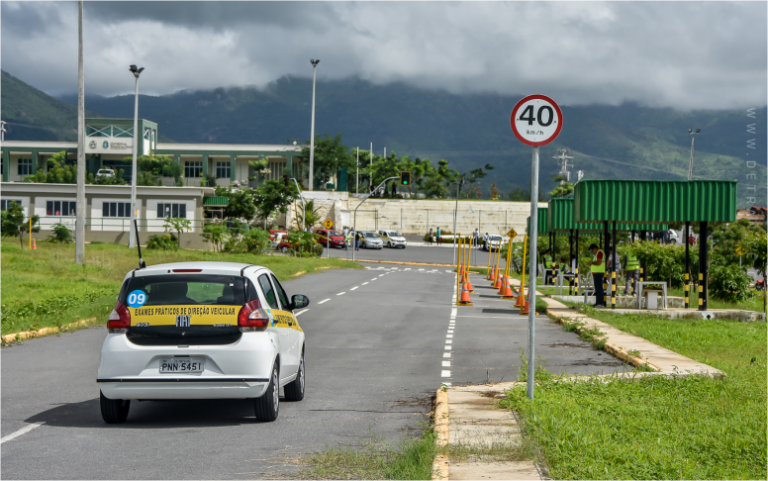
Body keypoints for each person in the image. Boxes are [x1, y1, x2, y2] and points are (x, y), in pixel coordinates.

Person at [588, 243, 606, 308]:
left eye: (592, 251)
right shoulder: (598, 253)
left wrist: (591, 262)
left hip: (598, 272)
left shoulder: (600, 253)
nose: (592, 252)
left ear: (594, 248)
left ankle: (600, 303)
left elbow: (599, 262)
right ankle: (598, 302)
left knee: (599, 288)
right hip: (597, 272)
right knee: (597, 288)